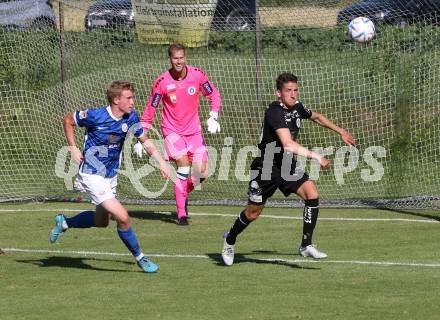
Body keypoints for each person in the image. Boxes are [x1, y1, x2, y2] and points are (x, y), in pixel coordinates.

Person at [221, 73, 355, 266]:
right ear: (278, 93)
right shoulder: (274, 112)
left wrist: (341, 131)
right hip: (266, 167)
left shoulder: (297, 107)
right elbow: (288, 144)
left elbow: (316, 116)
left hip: (286, 165)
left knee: (312, 193)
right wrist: (316, 156)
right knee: (253, 213)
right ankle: (230, 239)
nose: (293, 94)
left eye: (295, 90)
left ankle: (306, 245)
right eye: (288, 91)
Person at [50, 80, 170, 273]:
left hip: (110, 176)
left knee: (101, 222)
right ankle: (141, 258)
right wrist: (72, 147)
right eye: (128, 98)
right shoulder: (96, 116)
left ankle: (64, 222)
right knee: (122, 217)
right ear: (116, 99)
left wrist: (161, 162)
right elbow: (68, 120)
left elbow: (145, 141)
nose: (132, 101)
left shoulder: (130, 118)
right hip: (91, 174)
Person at [134, 43, 221, 226]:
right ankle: (181, 214)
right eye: (175, 58)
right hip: (172, 132)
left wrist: (213, 115)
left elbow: (214, 95)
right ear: (170, 59)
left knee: (203, 172)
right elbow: (150, 110)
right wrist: (141, 137)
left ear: (185, 57)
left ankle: (183, 191)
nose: (179, 61)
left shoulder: (197, 75)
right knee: (183, 166)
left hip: (194, 132)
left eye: (181, 57)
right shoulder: (162, 82)